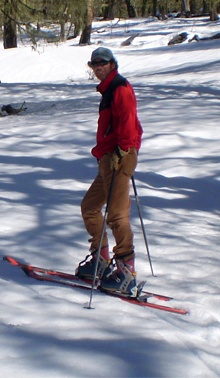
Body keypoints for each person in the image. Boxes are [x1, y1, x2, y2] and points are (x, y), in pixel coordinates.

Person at [76, 47, 143, 296]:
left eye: (102, 63)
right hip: (107, 157)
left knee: (116, 215)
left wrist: (124, 152)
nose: (98, 67)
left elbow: (129, 122)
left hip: (118, 157)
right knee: (90, 208)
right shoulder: (108, 90)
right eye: (94, 64)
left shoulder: (119, 88)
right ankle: (101, 259)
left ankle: (126, 271)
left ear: (112, 64)